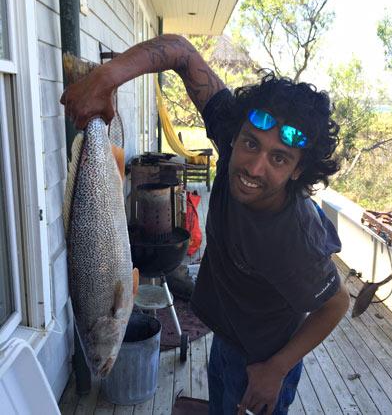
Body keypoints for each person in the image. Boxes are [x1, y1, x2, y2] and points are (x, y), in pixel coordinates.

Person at [61, 34, 350, 415]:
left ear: (299, 170)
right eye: (251, 144)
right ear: (239, 136)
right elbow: (180, 51)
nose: (253, 166)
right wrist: (106, 78)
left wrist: (275, 370)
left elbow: (336, 303)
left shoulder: (293, 237)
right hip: (226, 337)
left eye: (279, 159)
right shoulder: (235, 141)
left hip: (262, 360)